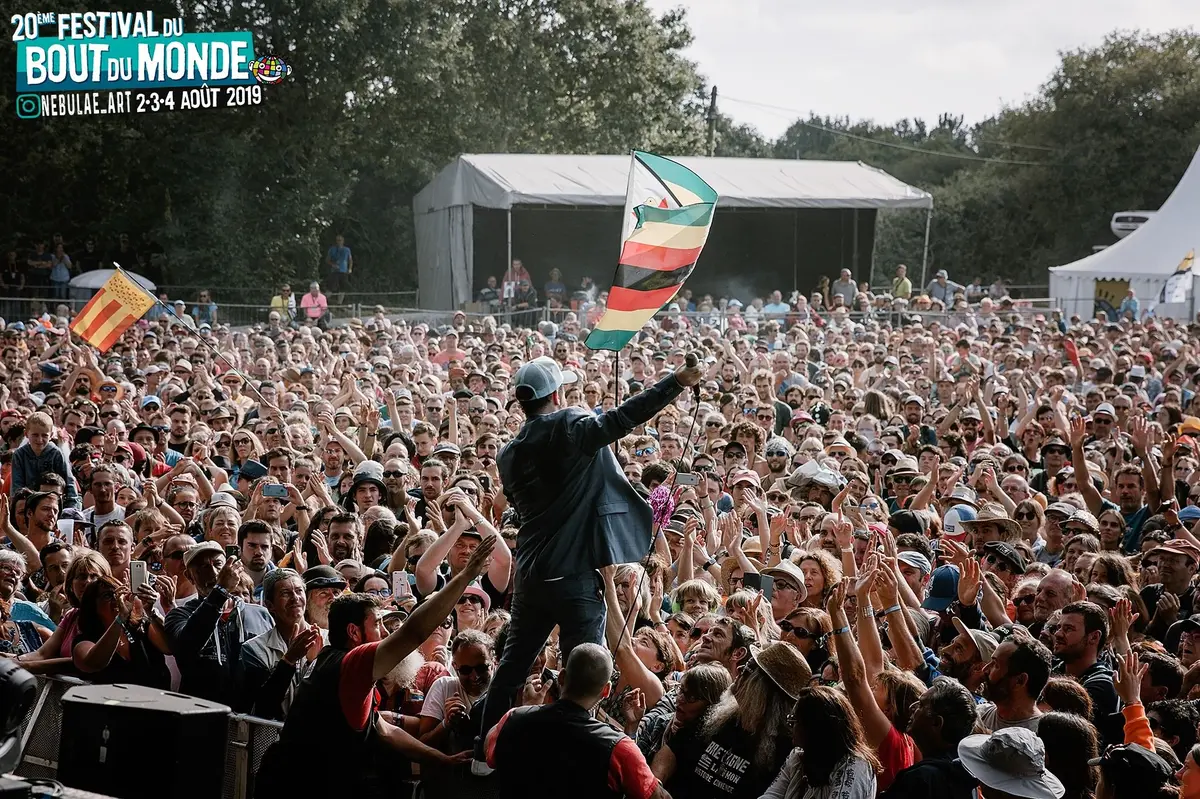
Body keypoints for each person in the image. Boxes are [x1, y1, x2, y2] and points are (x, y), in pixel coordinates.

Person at [477, 354, 702, 768]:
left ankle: (482, 755)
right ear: (557, 394)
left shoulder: (508, 453)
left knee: (511, 666)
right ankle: (577, 761)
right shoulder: (569, 427)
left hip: (530, 575)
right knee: (584, 673)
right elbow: (622, 419)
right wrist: (676, 381)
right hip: (574, 578)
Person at [256, 535, 497, 798]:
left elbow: (385, 730)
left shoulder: (332, 658)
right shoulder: (352, 662)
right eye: (377, 625)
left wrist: (441, 758)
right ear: (354, 632)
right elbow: (414, 632)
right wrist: (464, 578)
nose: (385, 633)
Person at [487, 642, 668, 799]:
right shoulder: (619, 748)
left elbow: (489, 752)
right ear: (606, 691)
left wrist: (525, 708)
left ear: (562, 676)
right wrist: (631, 731)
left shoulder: (512, 719)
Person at [164, 540, 273, 704]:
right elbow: (185, 647)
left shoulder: (260, 614)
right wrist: (220, 591)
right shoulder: (179, 615)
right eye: (203, 567)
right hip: (202, 717)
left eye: (218, 564)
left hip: (249, 718)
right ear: (189, 576)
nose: (213, 572)